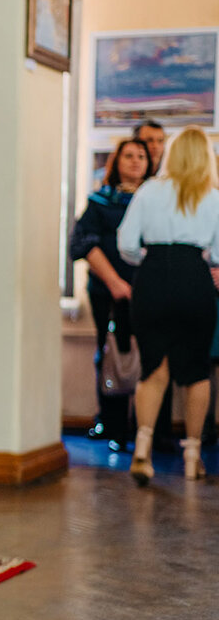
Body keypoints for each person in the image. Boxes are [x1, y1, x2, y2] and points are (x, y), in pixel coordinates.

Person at [117, 126, 219, 485]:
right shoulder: (212, 196)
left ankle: (142, 450)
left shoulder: (149, 191)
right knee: (196, 371)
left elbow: (126, 244)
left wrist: (150, 257)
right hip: (194, 279)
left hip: (154, 277)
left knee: (153, 369)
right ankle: (193, 457)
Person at [69, 138, 152, 451]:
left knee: (151, 360)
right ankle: (114, 427)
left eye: (141, 156)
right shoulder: (100, 201)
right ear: (117, 161)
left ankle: (147, 430)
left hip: (148, 293)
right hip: (108, 292)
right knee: (111, 355)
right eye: (128, 156)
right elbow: (83, 244)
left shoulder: (156, 200)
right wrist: (116, 282)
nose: (134, 162)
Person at [132, 120, 174, 449]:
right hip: (134, 284)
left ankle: (156, 436)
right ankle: (131, 431)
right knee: (142, 364)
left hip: (159, 280)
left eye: (161, 141)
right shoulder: (140, 191)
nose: (155, 147)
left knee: (167, 364)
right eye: (149, 141)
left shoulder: (174, 189)